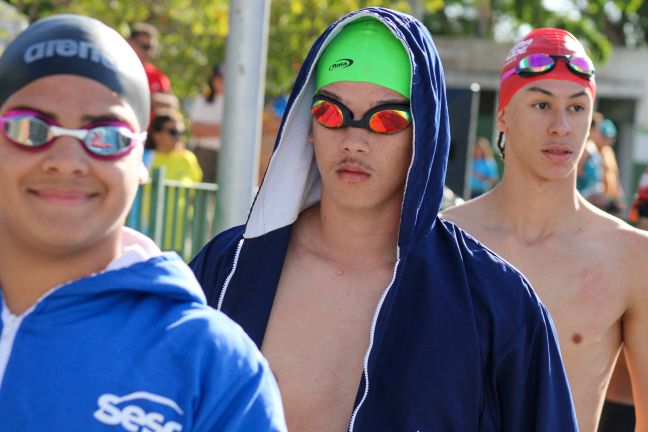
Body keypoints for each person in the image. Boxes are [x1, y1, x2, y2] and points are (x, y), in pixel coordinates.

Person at [191, 8, 577, 431]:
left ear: (423, 134)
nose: (354, 140)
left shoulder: (493, 304)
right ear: (307, 123)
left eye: (387, 119)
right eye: (332, 113)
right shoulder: (225, 269)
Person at [0, 14, 287, 431]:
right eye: (31, 128)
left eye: (106, 136)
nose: (65, 162)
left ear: (141, 159)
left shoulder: (212, 366)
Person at [442, 28, 648, 432]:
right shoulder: (445, 240)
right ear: (503, 114)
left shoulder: (631, 258)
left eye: (577, 107)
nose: (561, 127)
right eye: (541, 104)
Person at [145, 109, 203, 251]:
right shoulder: (144, 158)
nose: (178, 137)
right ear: (156, 134)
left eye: (182, 133)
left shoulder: (188, 159)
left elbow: (197, 195)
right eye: (173, 132)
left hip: (179, 236)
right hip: (146, 233)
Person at [189, 64, 224, 183]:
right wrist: (221, 130)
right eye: (219, 78)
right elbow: (195, 129)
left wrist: (207, 128)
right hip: (204, 152)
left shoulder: (238, 105)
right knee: (201, 193)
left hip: (227, 154)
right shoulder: (201, 101)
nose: (222, 82)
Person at [128, 22, 171, 95]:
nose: (149, 52)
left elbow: (170, 102)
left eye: (153, 48)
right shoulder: (116, 68)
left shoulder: (158, 76)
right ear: (130, 43)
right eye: (145, 47)